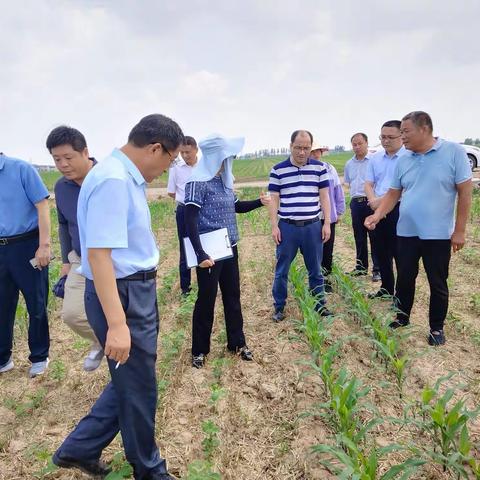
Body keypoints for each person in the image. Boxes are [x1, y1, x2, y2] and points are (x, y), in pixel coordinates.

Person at [52, 114, 184, 479]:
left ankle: (79, 448)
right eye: (169, 160)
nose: (165, 169)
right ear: (155, 148)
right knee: (139, 387)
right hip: (123, 294)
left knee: (133, 379)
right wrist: (117, 324)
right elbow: (98, 256)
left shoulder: (118, 174)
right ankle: (149, 470)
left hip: (130, 289)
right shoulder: (113, 179)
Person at [365, 111, 472, 346]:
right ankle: (402, 318)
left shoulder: (453, 152)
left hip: (438, 233)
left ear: (424, 129)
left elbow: (465, 192)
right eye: (401, 132)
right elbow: (394, 193)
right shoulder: (404, 159)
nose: (402, 137)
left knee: (437, 281)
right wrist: (378, 215)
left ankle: (436, 328)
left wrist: (460, 231)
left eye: (405, 132)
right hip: (406, 232)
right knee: (405, 278)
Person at [184, 134, 270, 368]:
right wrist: (200, 253)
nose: (228, 161)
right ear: (215, 157)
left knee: (233, 297)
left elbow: (236, 207)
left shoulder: (224, 181)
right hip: (210, 252)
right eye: (225, 157)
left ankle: (237, 343)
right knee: (206, 300)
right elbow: (189, 218)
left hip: (229, 247)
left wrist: (258, 203)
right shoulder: (197, 182)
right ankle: (199, 350)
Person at [46, 126, 104, 371]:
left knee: (118, 311)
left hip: (112, 259)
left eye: (68, 158)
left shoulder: (106, 178)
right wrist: (66, 263)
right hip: (80, 259)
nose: (63, 164)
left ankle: (121, 345)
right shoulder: (61, 187)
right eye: (57, 159)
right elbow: (62, 223)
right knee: (72, 314)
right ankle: (103, 341)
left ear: (85, 152)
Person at [268, 130, 332, 322]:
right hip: (287, 227)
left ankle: (320, 305)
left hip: (312, 227)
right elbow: (274, 199)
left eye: (306, 148)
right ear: (290, 146)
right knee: (282, 270)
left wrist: (326, 222)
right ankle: (279, 307)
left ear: (311, 148)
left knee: (316, 270)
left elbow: (324, 197)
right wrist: (274, 226)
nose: (302, 152)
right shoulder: (278, 170)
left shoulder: (320, 168)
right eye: (298, 148)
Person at [0, 153, 51, 378]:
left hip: (27, 244)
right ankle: (3, 358)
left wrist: (44, 245)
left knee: (36, 303)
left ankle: (39, 356)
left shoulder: (21, 169)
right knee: (2, 305)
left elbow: (42, 206)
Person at [365, 121, 405, 298]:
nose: (386, 141)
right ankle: (386, 288)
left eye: (391, 137)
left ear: (402, 136)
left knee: (400, 254)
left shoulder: (408, 157)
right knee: (381, 250)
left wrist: (380, 201)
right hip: (377, 210)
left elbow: (403, 187)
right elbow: (368, 183)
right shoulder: (376, 158)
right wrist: (373, 200)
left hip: (399, 209)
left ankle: (401, 295)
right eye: (383, 137)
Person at [343, 133, 381, 281]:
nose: (357, 147)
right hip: (356, 202)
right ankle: (360, 267)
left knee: (375, 237)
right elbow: (348, 182)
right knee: (359, 236)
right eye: (354, 144)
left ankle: (377, 269)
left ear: (367, 143)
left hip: (371, 202)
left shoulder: (375, 161)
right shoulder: (349, 164)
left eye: (360, 143)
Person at [310, 142, 345, 292]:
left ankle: (326, 280)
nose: (315, 154)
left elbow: (338, 191)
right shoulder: (305, 169)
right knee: (313, 250)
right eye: (313, 151)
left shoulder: (330, 169)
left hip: (328, 216)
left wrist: (338, 211)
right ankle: (315, 281)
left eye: (317, 151)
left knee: (327, 250)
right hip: (311, 217)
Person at [167, 135, 199, 296]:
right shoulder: (176, 168)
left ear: (196, 150)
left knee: (204, 244)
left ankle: (205, 281)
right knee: (185, 247)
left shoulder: (204, 167)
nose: (185, 155)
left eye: (188, 152)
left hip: (202, 210)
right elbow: (171, 192)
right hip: (184, 211)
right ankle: (185, 288)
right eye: (182, 152)